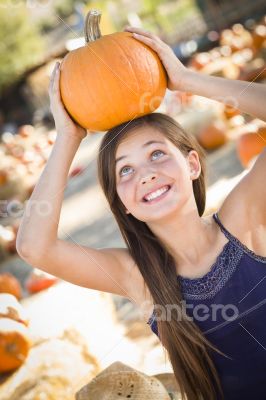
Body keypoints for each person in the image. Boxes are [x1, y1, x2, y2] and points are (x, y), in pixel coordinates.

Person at [16, 26, 266, 400]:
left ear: (193, 164)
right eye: (125, 171)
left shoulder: (242, 221)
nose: (146, 173)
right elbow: (35, 248)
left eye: (157, 154)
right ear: (123, 202)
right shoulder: (138, 277)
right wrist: (67, 137)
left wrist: (185, 79)